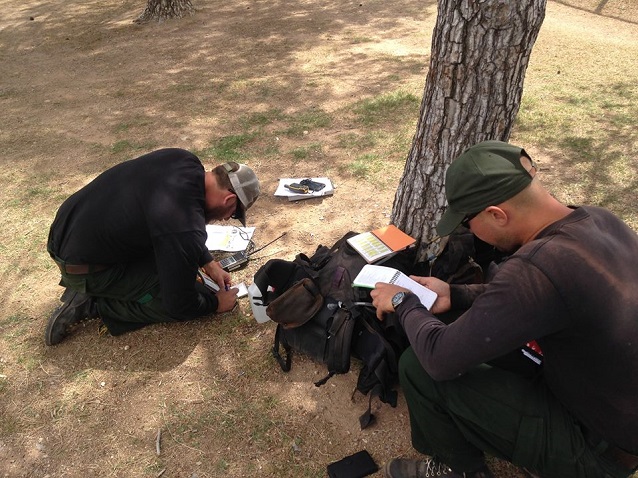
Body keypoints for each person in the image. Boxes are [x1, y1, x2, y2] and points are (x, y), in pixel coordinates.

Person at [370, 141, 638, 478]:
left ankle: (460, 470)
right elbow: (543, 295)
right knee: (449, 319)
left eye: (467, 224)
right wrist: (456, 293)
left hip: (598, 451)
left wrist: (402, 301)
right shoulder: (599, 219)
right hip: (611, 408)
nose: (471, 234)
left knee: (418, 366)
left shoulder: (535, 268)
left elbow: (439, 360)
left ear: (497, 214)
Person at [45, 148, 260, 345]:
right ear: (229, 200)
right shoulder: (185, 224)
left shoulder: (182, 159)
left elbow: (174, 227)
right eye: (231, 214)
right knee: (182, 297)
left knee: (178, 270)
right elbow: (180, 303)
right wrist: (214, 305)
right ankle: (93, 304)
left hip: (65, 234)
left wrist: (208, 262)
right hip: (82, 266)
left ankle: (97, 286)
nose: (224, 219)